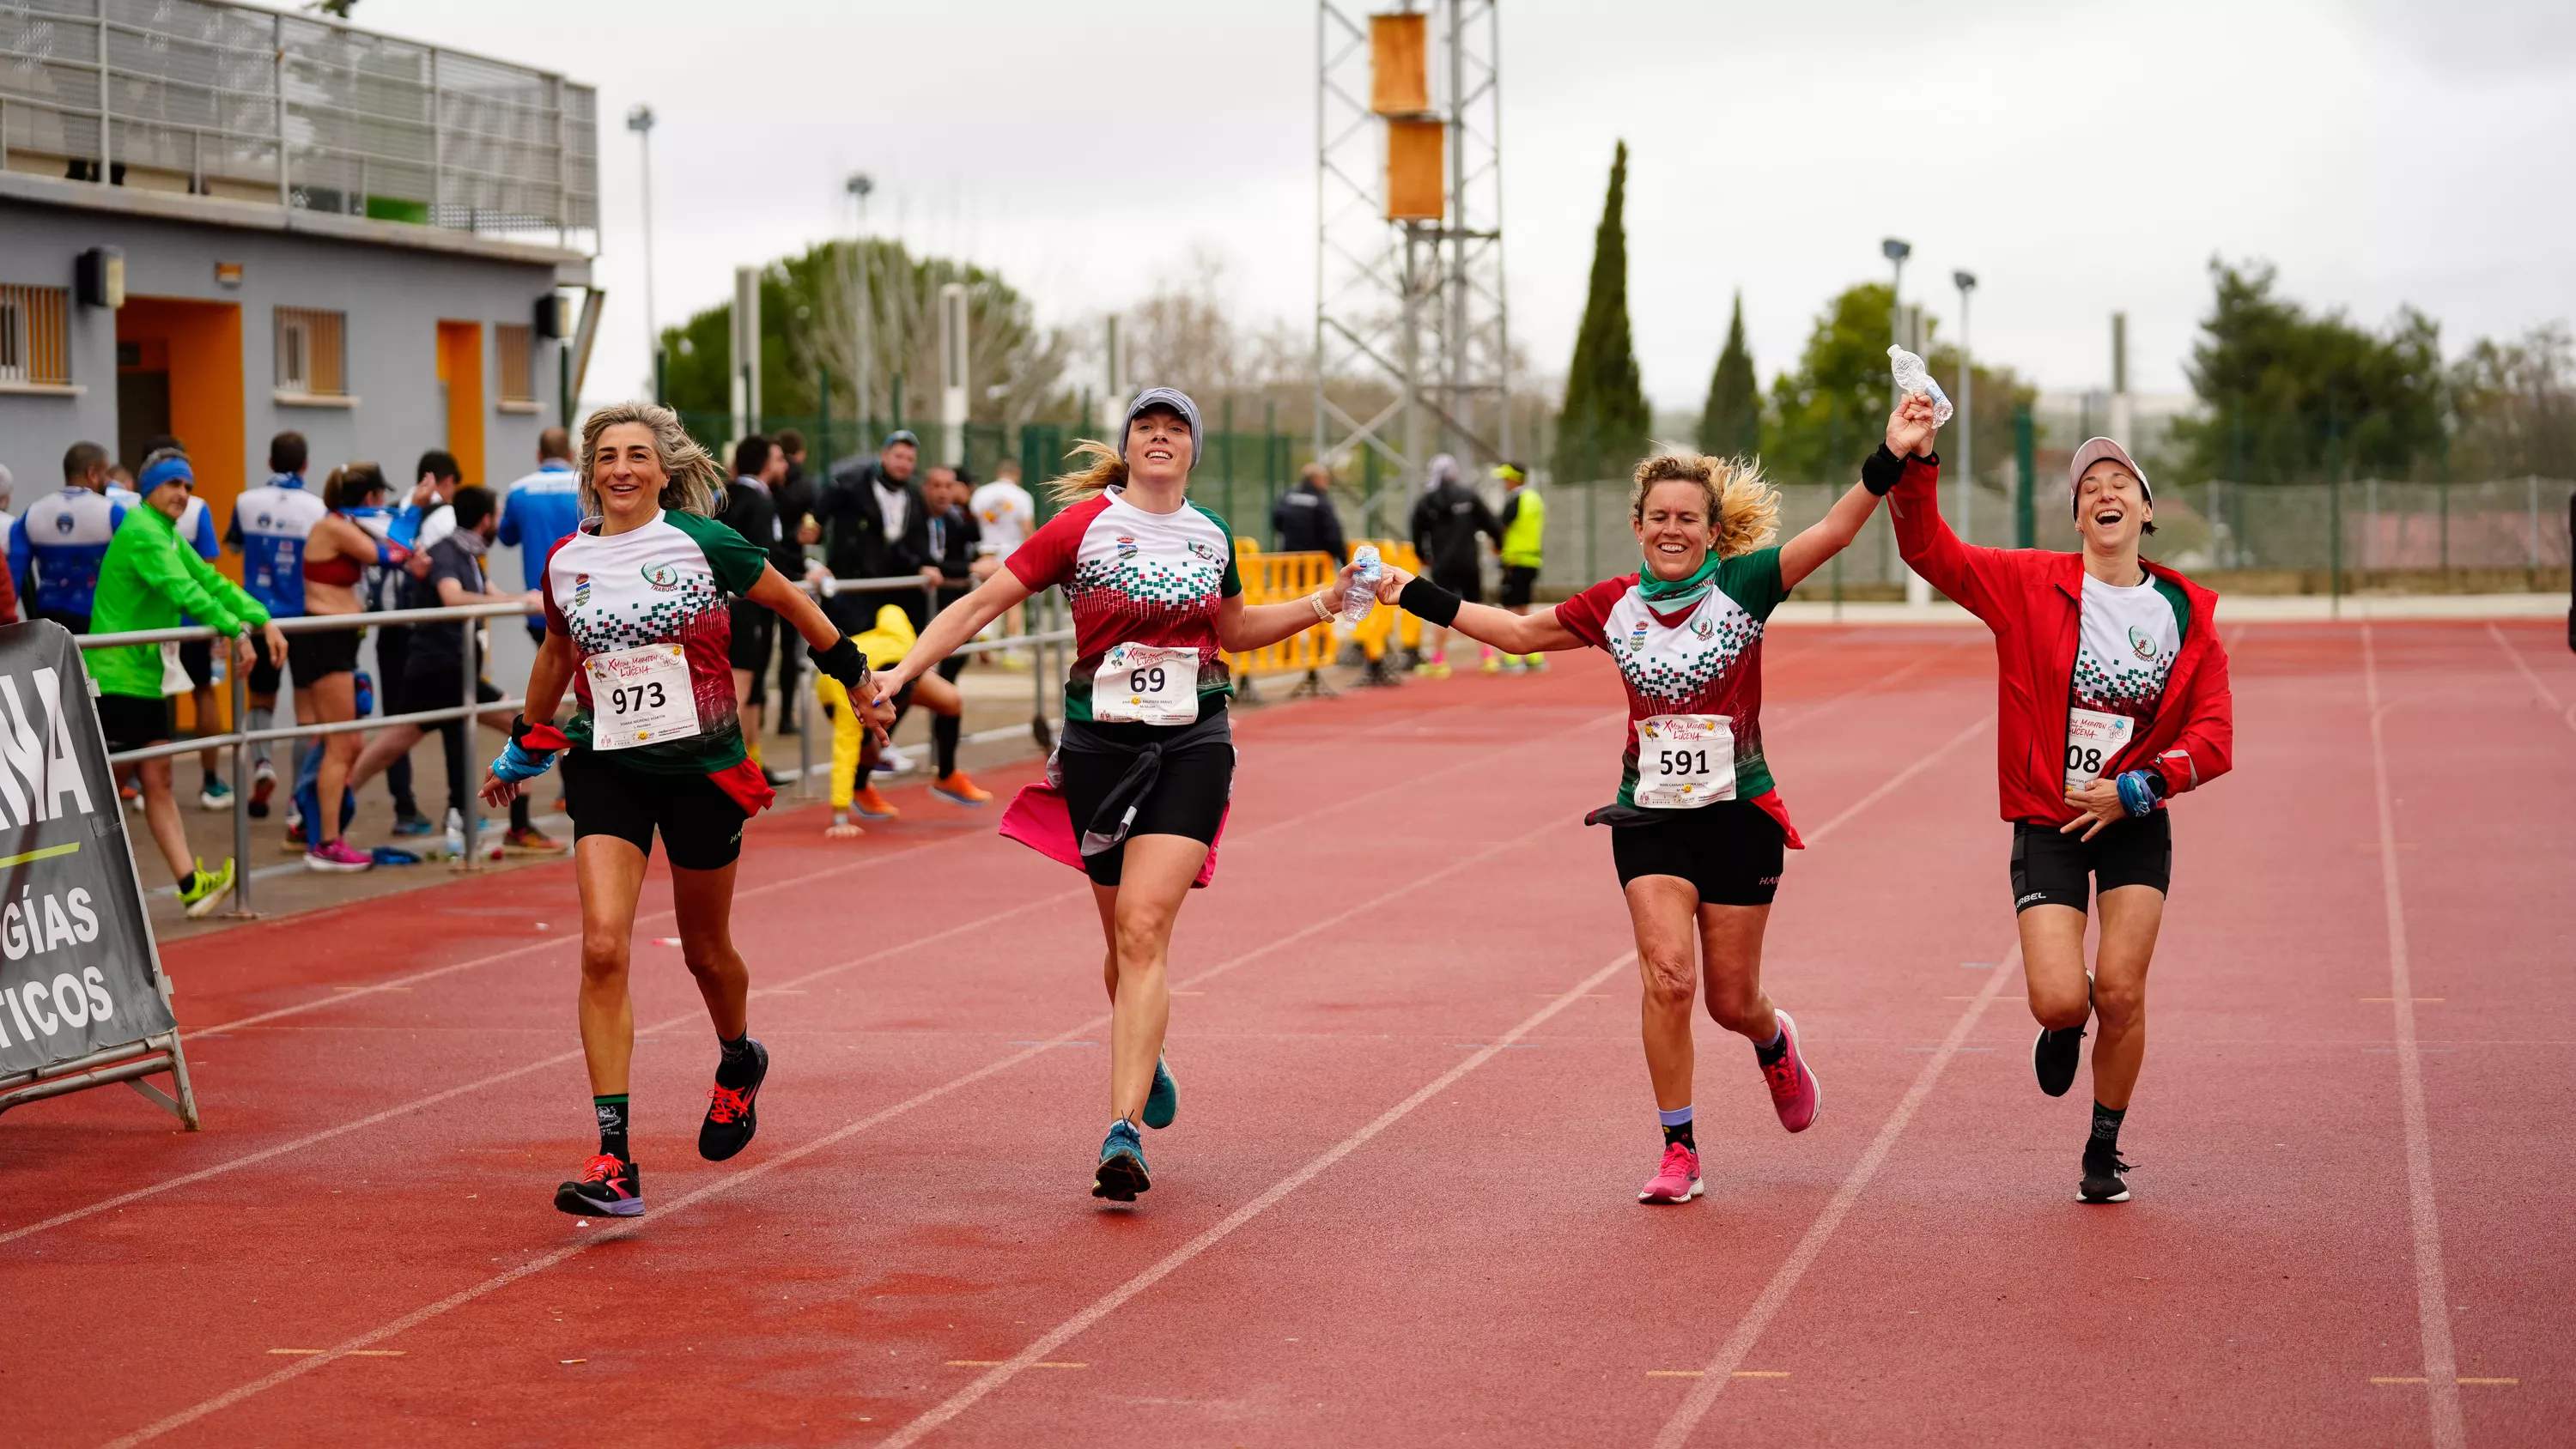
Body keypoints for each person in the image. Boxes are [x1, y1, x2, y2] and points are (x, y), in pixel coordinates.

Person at [868, 387, 1367, 1203]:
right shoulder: (1082, 528)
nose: (1161, 438)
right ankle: (1150, 1046)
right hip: (1099, 745)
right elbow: (983, 604)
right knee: (1121, 946)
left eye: (1176, 429)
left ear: (1192, 451)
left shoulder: (1211, 537)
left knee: (1142, 929)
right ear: (1129, 446)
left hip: (1193, 740)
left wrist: (1325, 602)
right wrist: (902, 672)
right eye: (1148, 427)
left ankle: (1122, 1132)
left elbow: (1234, 633)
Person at [1376, 434, 1899, 1205]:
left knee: (1730, 999)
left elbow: (1837, 528)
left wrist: (1893, 453)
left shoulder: (1747, 584)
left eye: (1688, 516)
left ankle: (1772, 1039)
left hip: (1737, 813)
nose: (1673, 529)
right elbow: (1521, 633)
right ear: (1639, 524)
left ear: (1712, 531)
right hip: (1648, 817)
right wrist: (1409, 590)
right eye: (1659, 516)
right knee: (1668, 976)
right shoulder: (1614, 604)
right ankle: (1679, 1147)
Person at [477, 401, 889, 1219]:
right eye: (606, 457)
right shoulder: (566, 561)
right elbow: (561, 652)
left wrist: (855, 673)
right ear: (588, 473)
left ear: (665, 470)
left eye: (637, 455)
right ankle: (614, 1158)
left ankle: (738, 1059)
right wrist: (526, 742)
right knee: (602, 947)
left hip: (701, 767)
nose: (621, 469)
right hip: (607, 766)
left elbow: (794, 605)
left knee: (706, 951)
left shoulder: (705, 543)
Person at [1886, 413, 2234, 1206]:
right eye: (2089, 489)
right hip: (2050, 819)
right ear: (2077, 516)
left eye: (2121, 485)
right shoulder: (2026, 584)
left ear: (2146, 511)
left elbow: (2214, 735)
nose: (2105, 495)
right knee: (2063, 998)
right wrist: (1918, 464)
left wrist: (2142, 787)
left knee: (2122, 990)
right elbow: (1927, 551)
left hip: (2134, 820)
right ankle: (2061, 1024)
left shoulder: (2186, 617)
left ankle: (2104, 1146)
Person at [82, 451, 289, 918]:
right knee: (101, 793)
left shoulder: (168, 534)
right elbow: (185, 592)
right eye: (173, 484)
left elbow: (211, 582)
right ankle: (71, 895)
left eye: (189, 487)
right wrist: (235, 629)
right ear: (149, 487)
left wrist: (261, 618)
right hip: (113, 678)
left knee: (158, 778)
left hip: (143, 679)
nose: (182, 494)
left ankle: (191, 885)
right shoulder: (141, 531)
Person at [392, 486, 559, 853]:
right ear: (486, 520)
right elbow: (453, 597)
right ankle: (518, 827)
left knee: (392, 742)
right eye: (498, 516)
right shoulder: (449, 552)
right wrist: (520, 601)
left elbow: (488, 592)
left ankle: (327, 808)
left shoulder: (468, 552)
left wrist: (526, 600)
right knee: (526, 726)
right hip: (441, 667)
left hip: (449, 666)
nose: (500, 522)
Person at [287, 462, 411, 872]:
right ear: (370, 497)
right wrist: (412, 514)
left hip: (335, 639)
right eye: (379, 496)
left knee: (345, 744)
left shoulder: (346, 524)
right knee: (342, 744)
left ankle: (315, 825)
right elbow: (390, 553)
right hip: (322, 640)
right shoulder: (336, 527)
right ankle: (325, 841)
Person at [225, 432, 327, 818]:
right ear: (305, 465)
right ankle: (297, 806)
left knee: (261, 700)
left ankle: (263, 764)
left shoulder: (246, 501)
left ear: (269, 462)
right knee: (306, 712)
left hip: (258, 616)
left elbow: (235, 546)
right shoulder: (316, 508)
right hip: (301, 619)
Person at [812, 429, 939, 632]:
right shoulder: (850, 485)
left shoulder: (914, 496)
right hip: (852, 587)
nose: (904, 464)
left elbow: (916, 541)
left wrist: (924, 566)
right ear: (884, 455)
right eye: (898, 456)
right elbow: (816, 520)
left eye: (910, 459)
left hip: (894, 589)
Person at [721, 435, 787, 780]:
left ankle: (752, 761)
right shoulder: (758, 501)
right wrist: (804, 570)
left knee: (753, 684)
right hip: (745, 604)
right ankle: (734, 765)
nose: (785, 466)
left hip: (734, 602)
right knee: (742, 684)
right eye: (778, 459)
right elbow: (765, 555)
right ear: (764, 463)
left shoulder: (724, 496)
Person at [15, 441, 126, 633]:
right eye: (104, 474)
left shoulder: (34, 512)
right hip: (96, 619)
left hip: (48, 618)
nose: (107, 481)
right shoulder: (112, 512)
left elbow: (14, 574)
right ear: (92, 474)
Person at [1406, 452, 1500, 678]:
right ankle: (1488, 656)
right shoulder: (1469, 496)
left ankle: (1439, 660)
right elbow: (1492, 523)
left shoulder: (1427, 501)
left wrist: (1423, 555)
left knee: (1441, 609)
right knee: (1477, 606)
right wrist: (1498, 545)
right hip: (1469, 562)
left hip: (1442, 564)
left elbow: (1416, 531)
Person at [498, 427, 585, 645]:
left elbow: (506, 538)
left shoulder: (518, 490)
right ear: (571, 455)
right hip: (585, 599)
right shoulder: (588, 486)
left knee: (550, 670)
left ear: (539, 455)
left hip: (541, 606)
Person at [769, 427, 818, 717]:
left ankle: (757, 711)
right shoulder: (805, 485)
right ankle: (787, 714)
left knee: (756, 653)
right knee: (791, 647)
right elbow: (812, 527)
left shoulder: (764, 487)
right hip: (792, 572)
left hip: (763, 569)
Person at [1488, 462, 1546, 674]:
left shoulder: (1516, 500)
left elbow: (1499, 528)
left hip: (1515, 560)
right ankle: (1534, 655)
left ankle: (1512, 659)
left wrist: (1495, 547)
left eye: (1506, 478)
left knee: (1511, 609)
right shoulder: (1535, 499)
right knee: (1524, 608)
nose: (1504, 483)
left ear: (1513, 479)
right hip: (1532, 559)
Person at [1273, 462, 1350, 563]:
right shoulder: (1321, 502)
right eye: (1325, 478)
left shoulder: (1288, 496)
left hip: (1288, 560)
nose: (1328, 481)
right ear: (1316, 479)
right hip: (1315, 562)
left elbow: (1277, 521)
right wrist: (1343, 558)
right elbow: (1333, 534)